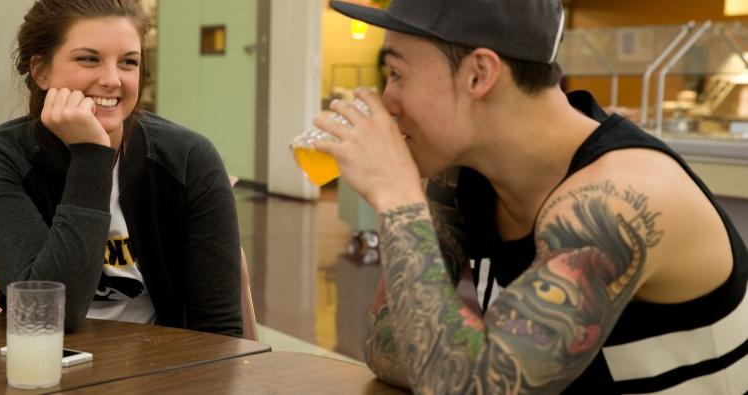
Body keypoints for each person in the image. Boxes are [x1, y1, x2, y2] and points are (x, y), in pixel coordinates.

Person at [320, 0, 748, 393]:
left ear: (478, 74)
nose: (386, 100)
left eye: (397, 74)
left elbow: (468, 385)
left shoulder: (621, 199)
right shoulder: (462, 174)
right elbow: (387, 342)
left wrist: (398, 196)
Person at [0, 0, 242, 337]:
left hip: (163, 373)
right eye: (88, 59)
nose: (112, 79)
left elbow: (220, 330)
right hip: (41, 368)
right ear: (41, 71)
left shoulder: (189, 158)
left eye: (128, 62)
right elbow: (50, 318)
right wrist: (92, 156)